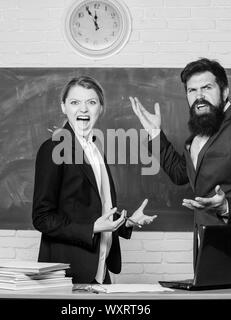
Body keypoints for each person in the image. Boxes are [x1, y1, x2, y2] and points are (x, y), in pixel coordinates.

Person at [129, 58, 231, 274]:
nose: (199, 96)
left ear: (224, 92)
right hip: (207, 248)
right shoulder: (200, 134)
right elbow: (180, 174)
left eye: (207, 88)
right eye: (192, 90)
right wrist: (155, 134)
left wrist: (227, 206)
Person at [32, 76, 157, 284]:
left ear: (101, 108)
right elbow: (42, 218)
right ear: (63, 107)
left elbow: (96, 209)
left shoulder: (95, 149)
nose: (83, 109)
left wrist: (127, 222)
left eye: (91, 102)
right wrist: (91, 228)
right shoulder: (53, 148)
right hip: (69, 274)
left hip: (100, 270)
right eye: (75, 102)